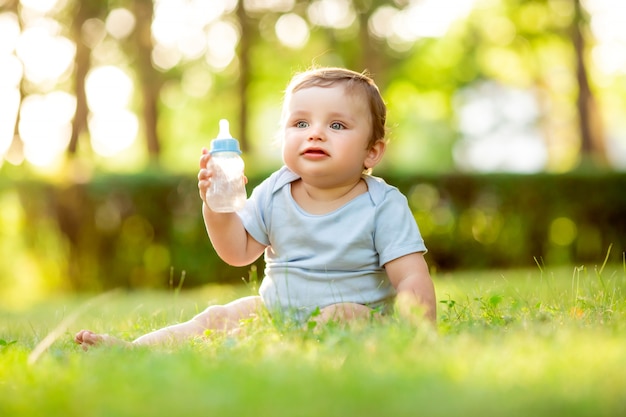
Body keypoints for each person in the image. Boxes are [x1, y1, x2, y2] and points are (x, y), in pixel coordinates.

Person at [75, 67, 436, 349]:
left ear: (371, 151)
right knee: (216, 318)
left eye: (337, 124)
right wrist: (216, 207)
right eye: (301, 123)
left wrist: (419, 335)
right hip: (276, 316)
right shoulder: (275, 191)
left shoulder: (382, 204)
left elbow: (409, 277)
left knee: (339, 316)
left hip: (358, 318)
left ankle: (309, 358)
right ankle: (137, 349)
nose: (315, 133)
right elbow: (237, 251)